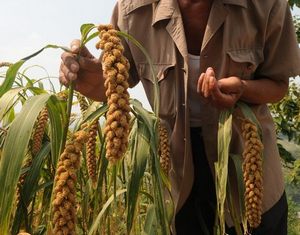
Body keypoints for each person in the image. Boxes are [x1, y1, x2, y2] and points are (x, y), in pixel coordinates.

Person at [59, 0, 300, 234]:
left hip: (248, 169)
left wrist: (243, 89)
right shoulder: (133, 9)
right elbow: (112, 84)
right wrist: (86, 75)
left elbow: (278, 85)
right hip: (178, 174)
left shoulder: (266, 5)